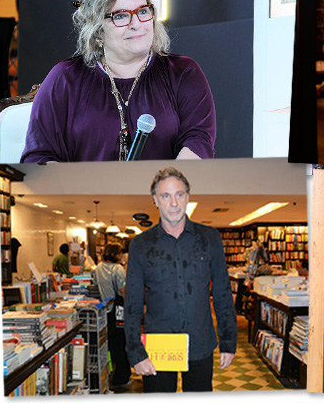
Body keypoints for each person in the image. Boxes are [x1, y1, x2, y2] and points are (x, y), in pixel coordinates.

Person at [21, 0, 215, 162]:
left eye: (143, 11)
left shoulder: (183, 73)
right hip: (83, 184)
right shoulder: (65, 78)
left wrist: (167, 180)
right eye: (121, 15)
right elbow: (39, 155)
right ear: (97, 29)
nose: (136, 24)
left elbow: (198, 141)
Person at [124, 167, 237, 393]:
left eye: (179, 194)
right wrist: (135, 352)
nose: (174, 203)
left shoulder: (210, 238)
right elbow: (132, 303)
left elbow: (223, 292)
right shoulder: (141, 244)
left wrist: (228, 341)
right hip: (158, 347)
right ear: (155, 200)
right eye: (166, 196)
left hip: (200, 342)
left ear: (187, 197)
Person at [93, 243, 131, 390]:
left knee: (110, 344)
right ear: (115, 254)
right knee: (121, 343)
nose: (121, 256)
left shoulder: (98, 268)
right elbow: (123, 291)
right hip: (118, 309)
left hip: (105, 311)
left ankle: (111, 374)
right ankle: (121, 377)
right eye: (120, 253)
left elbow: (95, 285)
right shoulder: (117, 269)